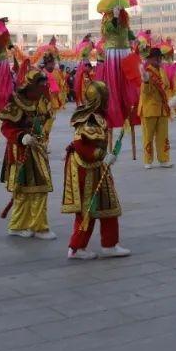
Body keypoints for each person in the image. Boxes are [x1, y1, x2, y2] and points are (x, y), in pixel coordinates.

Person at [61, 80, 130, 259]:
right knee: (87, 209)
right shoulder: (88, 119)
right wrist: (102, 155)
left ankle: (110, 244)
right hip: (86, 170)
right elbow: (80, 145)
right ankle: (76, 247)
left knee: (108, 205)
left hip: (97, 167)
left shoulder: (97, 116)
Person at [0, 70, 55, 239]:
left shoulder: (43, 101)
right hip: (21, 152)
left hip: (37, 150)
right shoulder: (17, 102)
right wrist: (21, 136)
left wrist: (42, 137)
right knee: (23, 190)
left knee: (40, 188)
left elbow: (46, 121)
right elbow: (6, 128)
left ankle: (36, 225)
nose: (43, 87)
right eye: (40, 84)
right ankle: (21, 226)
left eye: (44, 84)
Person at [140, 47, 173, 168]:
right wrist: (146, 81)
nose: (158, 59)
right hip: (149, 109)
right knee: (148, 136)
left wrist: (171, 101)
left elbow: (167, 86)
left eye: (160, 57)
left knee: (163, 136)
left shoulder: (163, 71)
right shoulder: (147, 72)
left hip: (162, 109)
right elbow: (145, 92)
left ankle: (164, 159)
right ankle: (148, 160)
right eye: (156, 58)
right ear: (150, 59)